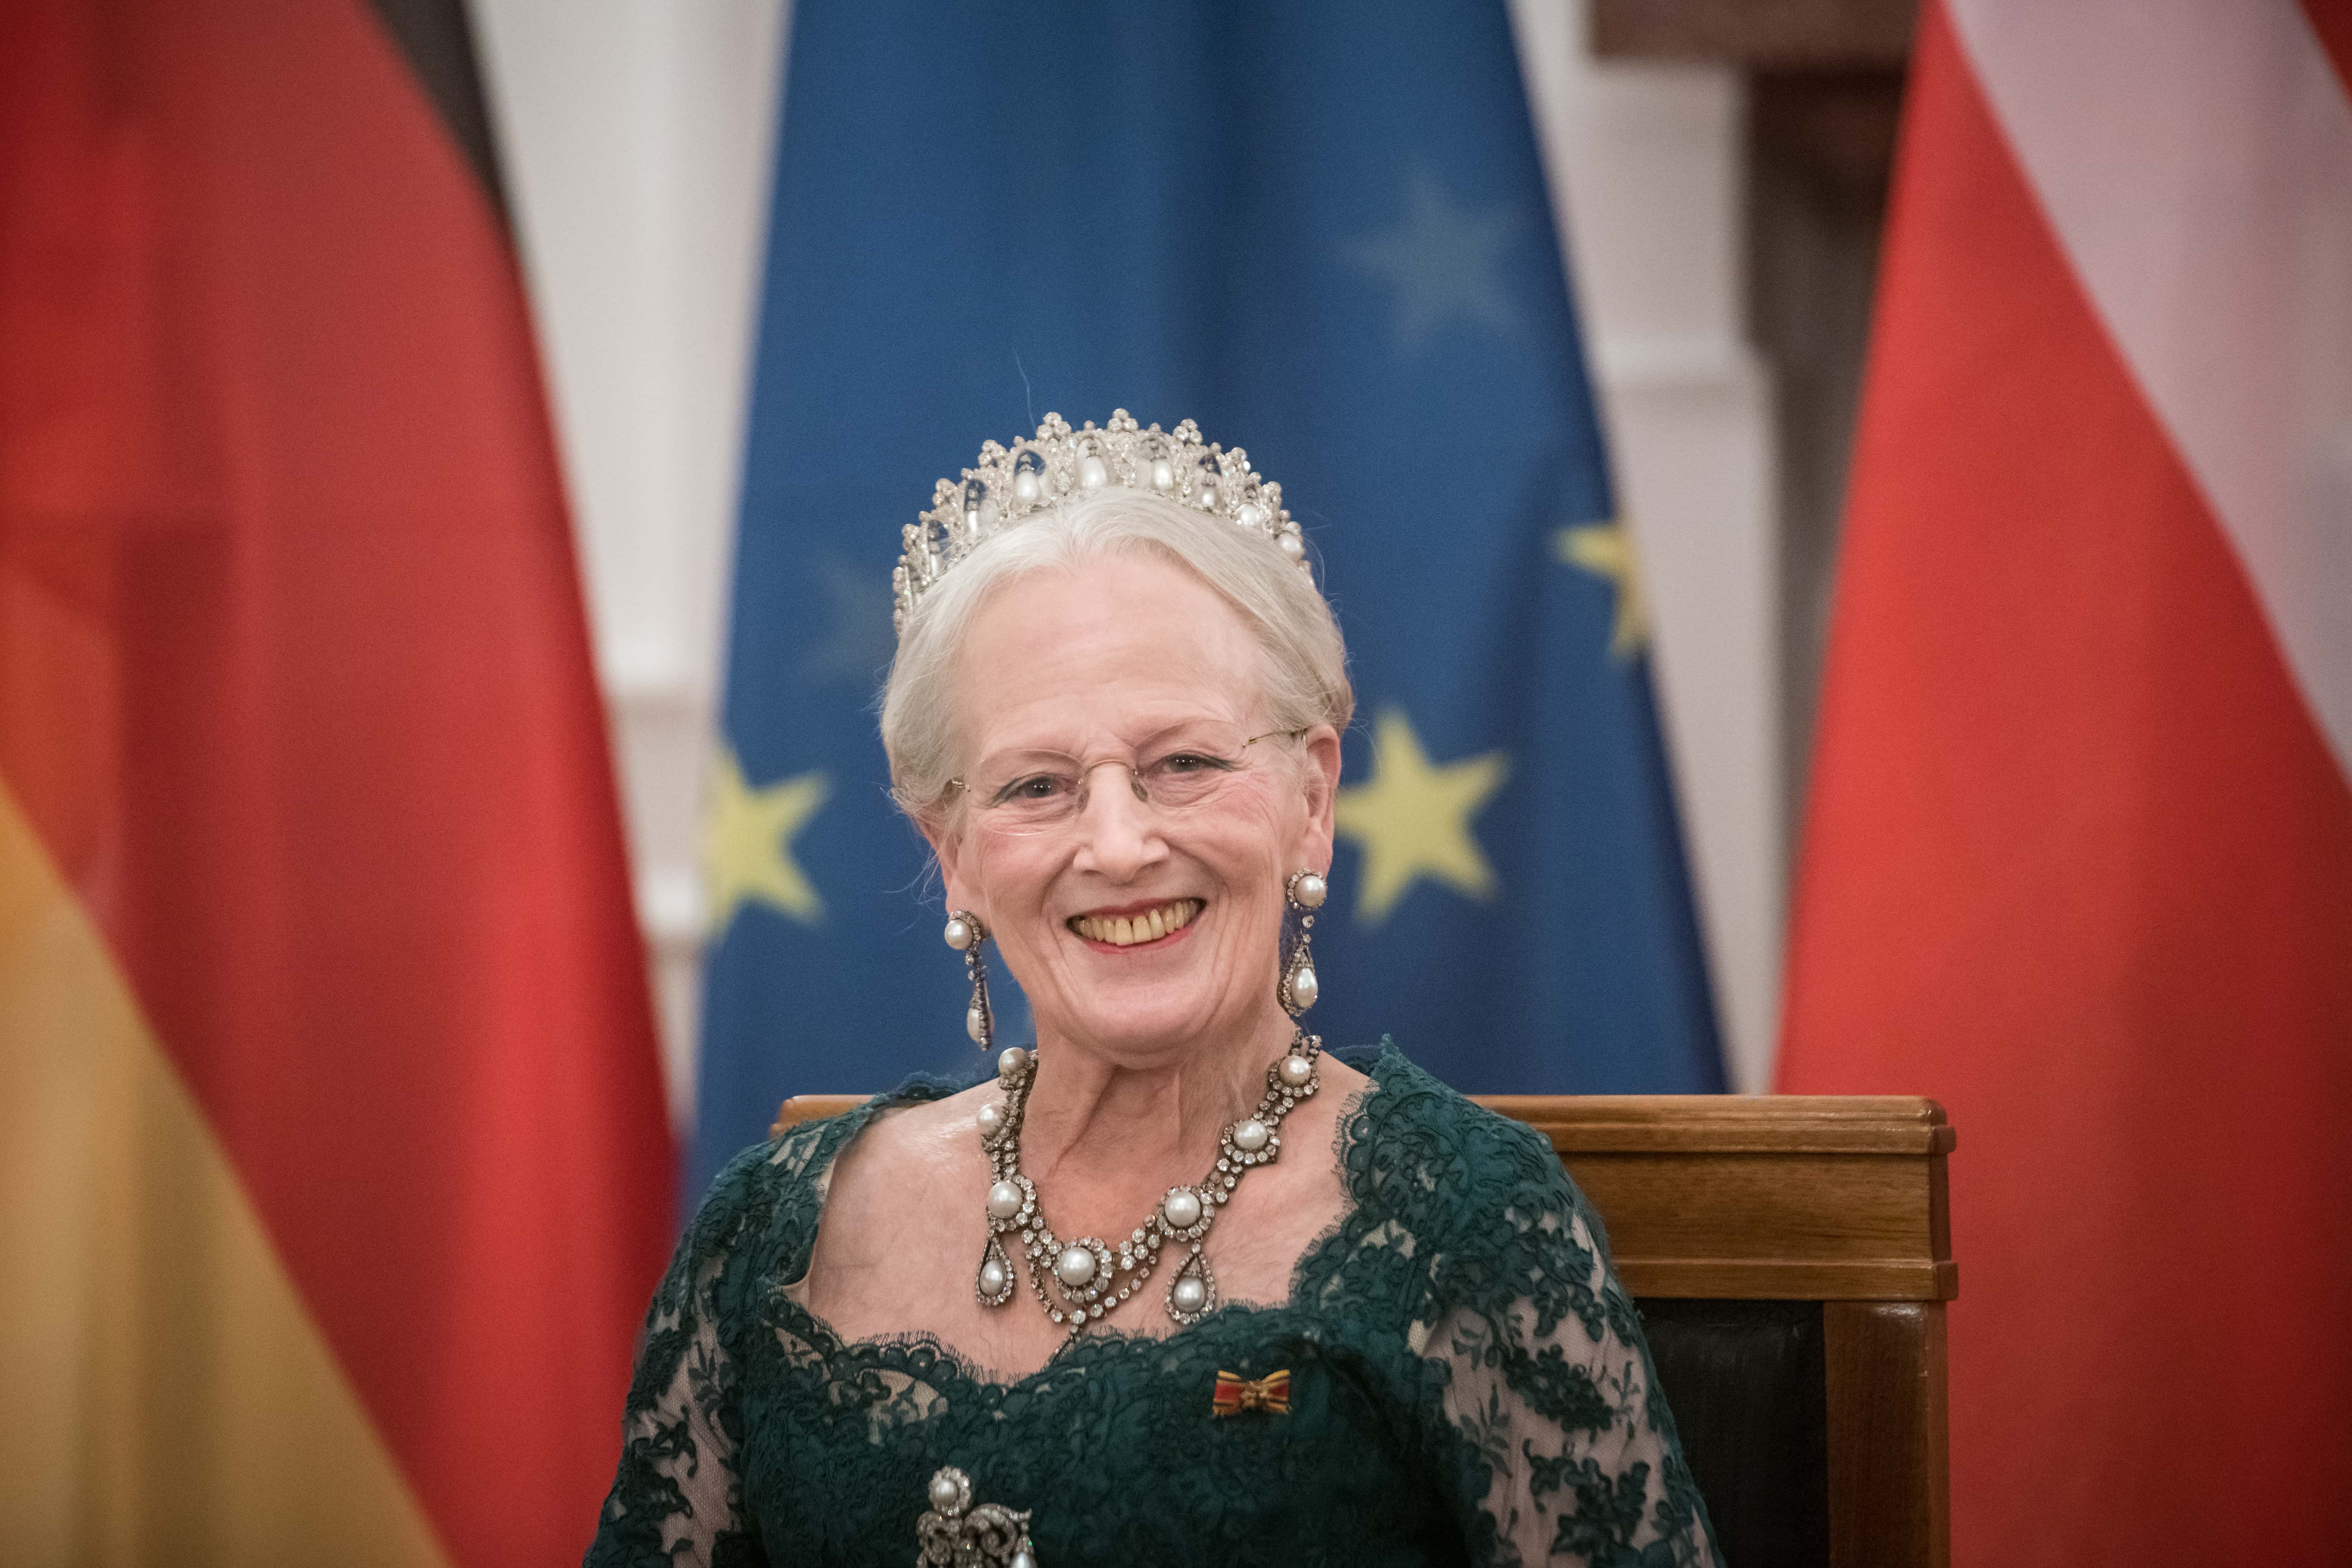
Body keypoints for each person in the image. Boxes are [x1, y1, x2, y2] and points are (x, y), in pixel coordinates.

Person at [585, 413, 1721, 1567]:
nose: (1119, 844)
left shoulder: (1464, 1227)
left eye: (1184, 764)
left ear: (1311, 798)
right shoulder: (772, 1238)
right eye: (1038, 785)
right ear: (955, 853)